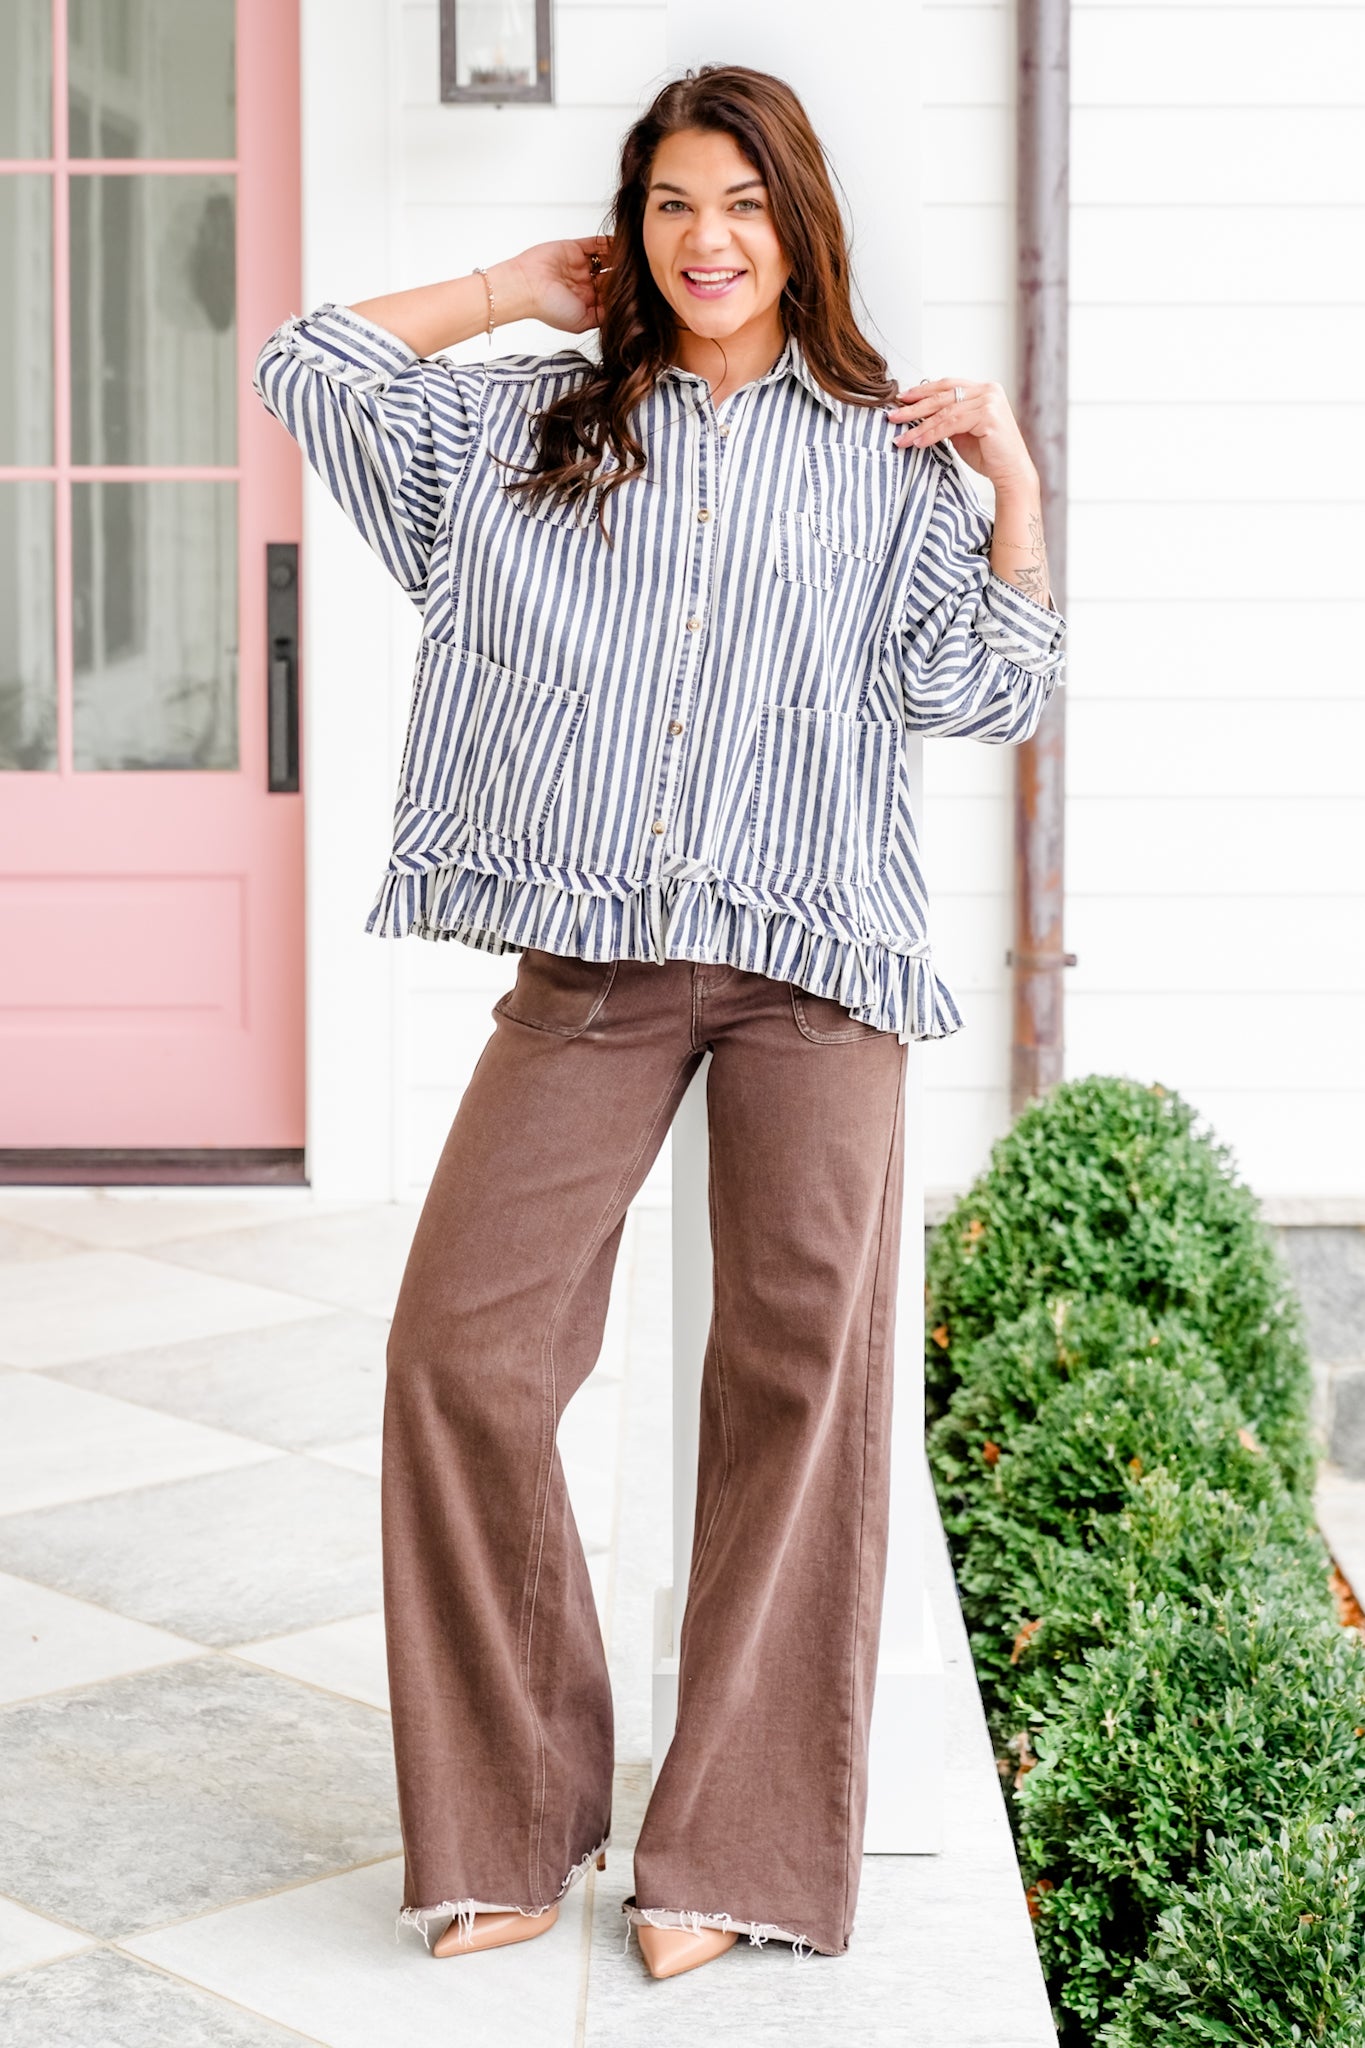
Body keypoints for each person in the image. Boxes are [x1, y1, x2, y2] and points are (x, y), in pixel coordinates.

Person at [252, 62, 1065, 1982]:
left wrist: (1011, 488)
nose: (709, 242)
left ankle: (737, 1854)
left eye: (746, 205)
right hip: (592, 961)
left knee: (800, 1384)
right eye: (674, 203)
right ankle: (509, 1824)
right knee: (464, 1351)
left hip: (816, 963)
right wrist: (510, 287)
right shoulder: (527, 421)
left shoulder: (883, 446)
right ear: (633, 225)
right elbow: (309, 359)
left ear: (803, 226)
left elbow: (985, 691)